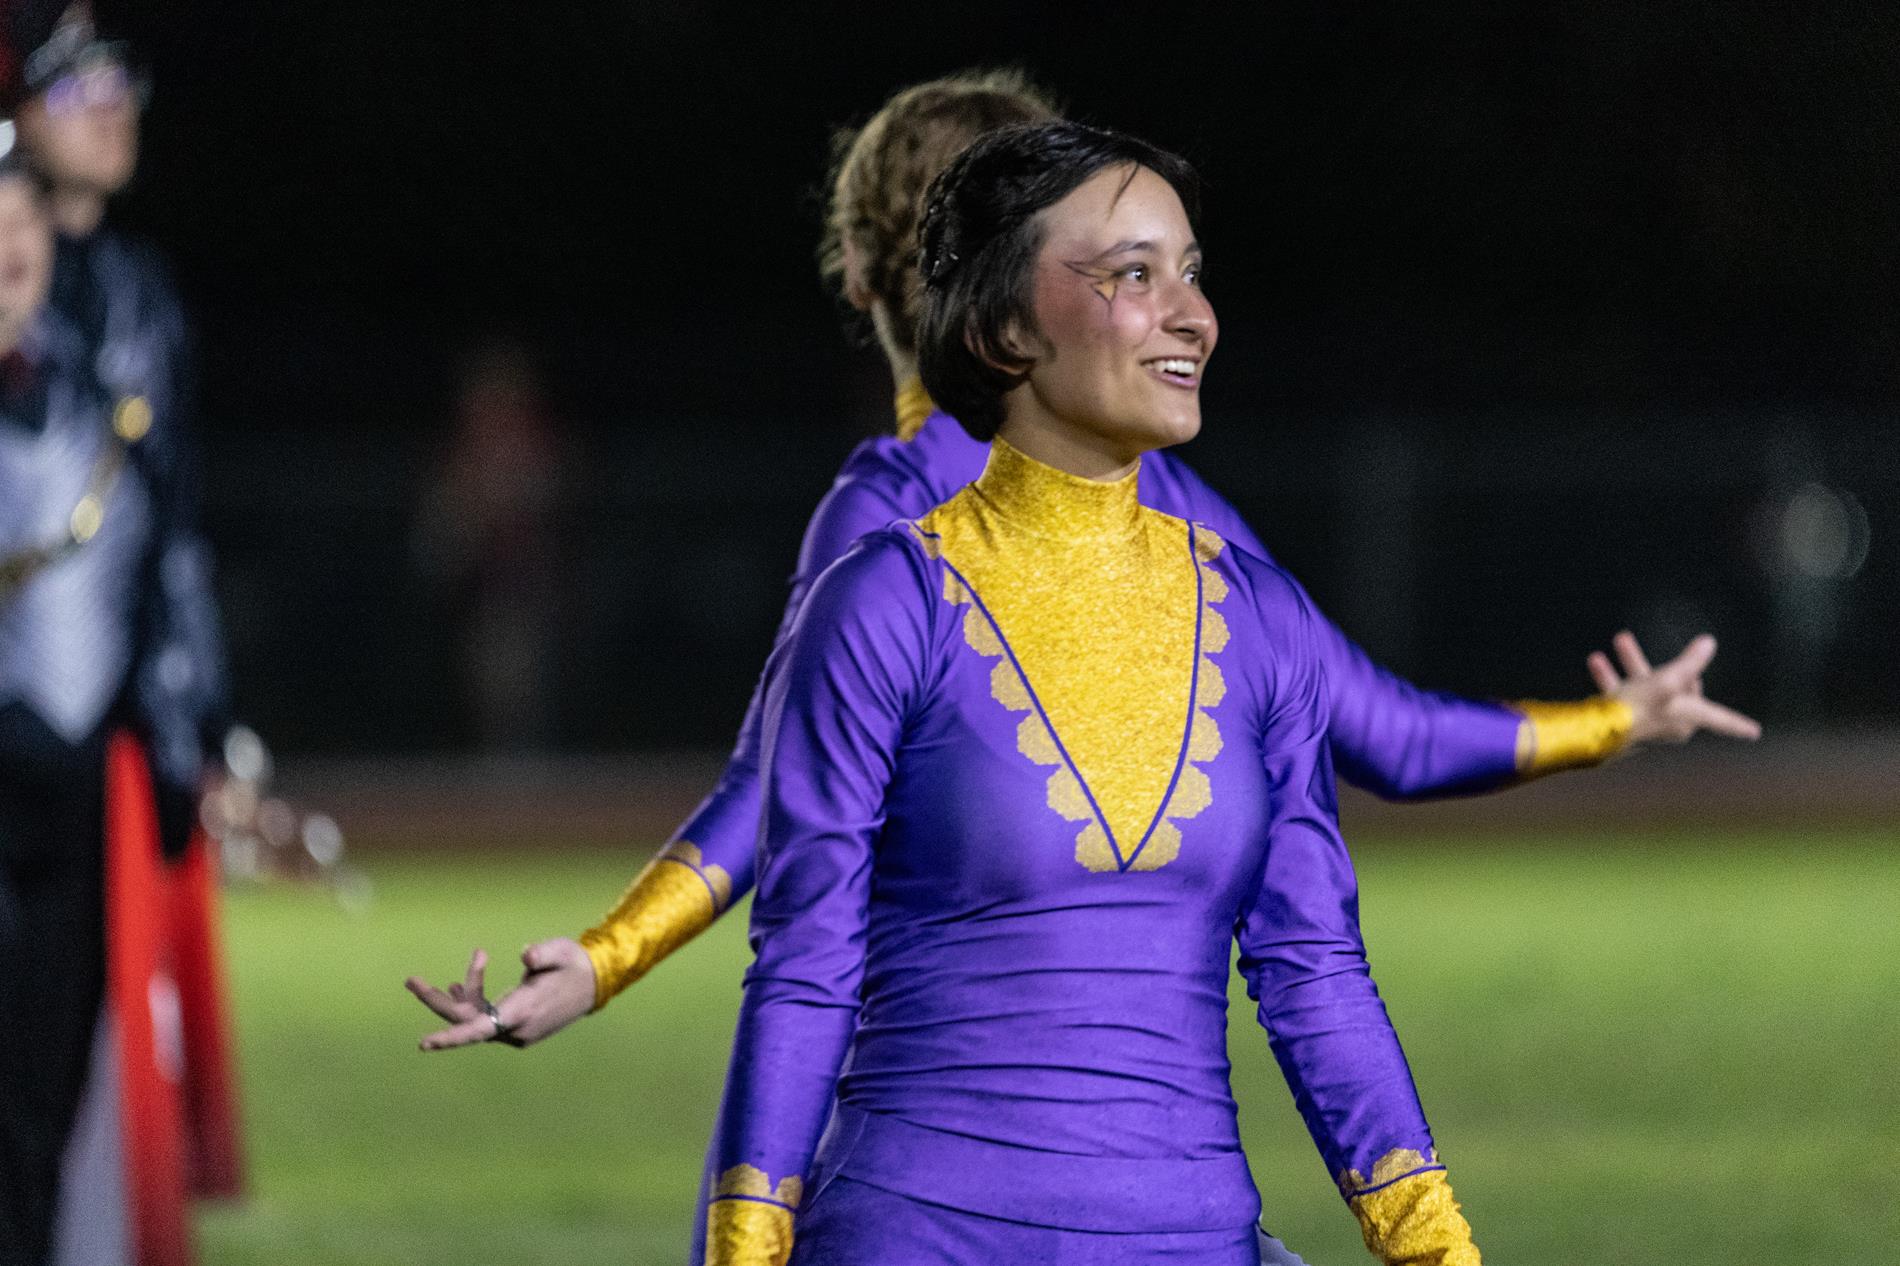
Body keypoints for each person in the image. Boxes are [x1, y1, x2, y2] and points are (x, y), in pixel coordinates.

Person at [407, 70, 1756, 1049]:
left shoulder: (882, 515)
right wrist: (1607, 722)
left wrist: (600, 958)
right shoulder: (1174, 499)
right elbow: (1389, 734)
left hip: (950, 1123)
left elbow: (772, 796)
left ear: (867, 284)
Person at [705, 118, 1486, 1265]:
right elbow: (803, 972)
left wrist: (1437, 1251)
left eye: (1190, 274)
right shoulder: (882, 602)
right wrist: (742, 1249)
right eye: (1130, 275)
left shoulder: (1259, 617)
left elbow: (1314, 973)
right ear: (1004, 327)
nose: (1193, 316)